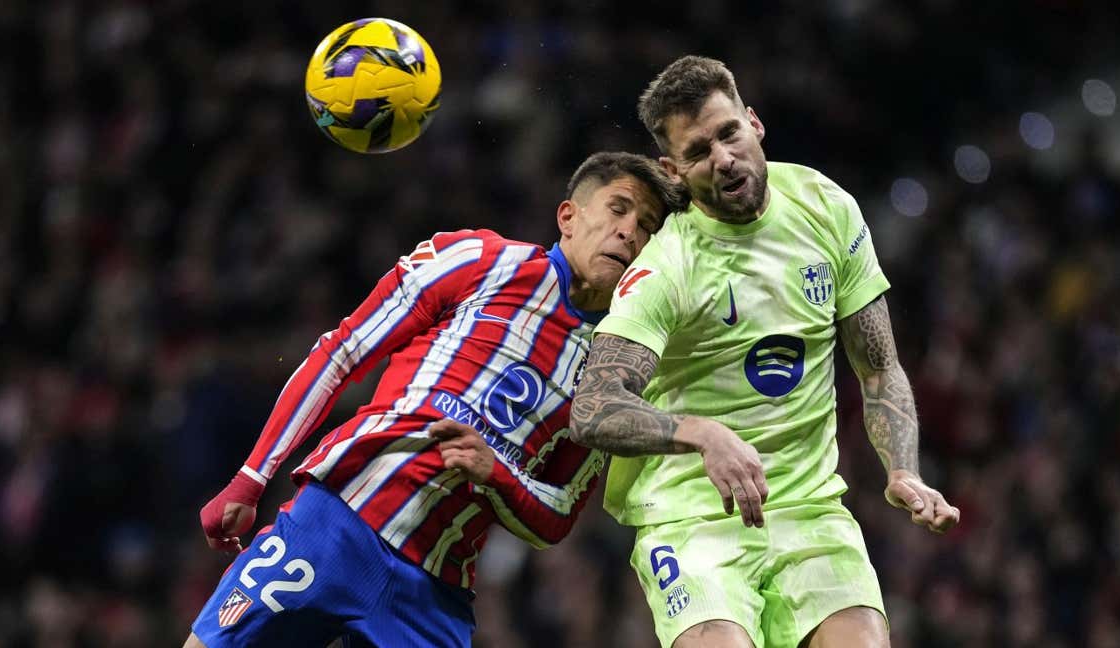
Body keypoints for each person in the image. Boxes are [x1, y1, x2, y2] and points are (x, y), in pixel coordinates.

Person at [183, 151, 686, 648]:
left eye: (647, 228)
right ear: (568, 217)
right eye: (619, 209)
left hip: (433, 594)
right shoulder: (479, 259)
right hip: (335, 525)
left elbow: (558, 515)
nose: (629, 233)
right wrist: (251, 477)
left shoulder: (613, 372)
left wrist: (497, 475)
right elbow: (343, 350)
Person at [569, 56, 960, 648]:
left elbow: (878, 369)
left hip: (810, 513)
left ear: (754, 123)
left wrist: (903, 469)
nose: (723, 159)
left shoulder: (825, 208)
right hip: (692, 521)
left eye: (729, 133)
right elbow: (594, 407)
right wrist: (701, 433)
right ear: (674, 170)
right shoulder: (667, 267)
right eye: (699, 152)